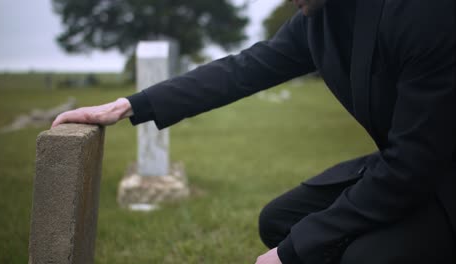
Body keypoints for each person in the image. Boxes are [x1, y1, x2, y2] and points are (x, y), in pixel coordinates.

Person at [52, 0, 456, 263]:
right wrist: (129, 105)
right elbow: (243, 68)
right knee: (279, 221)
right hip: (411, 169)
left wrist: (292, 253)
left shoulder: (422, 12)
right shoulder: (318, 21)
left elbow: (414, 164)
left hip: (435, 178)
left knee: (360, 257)